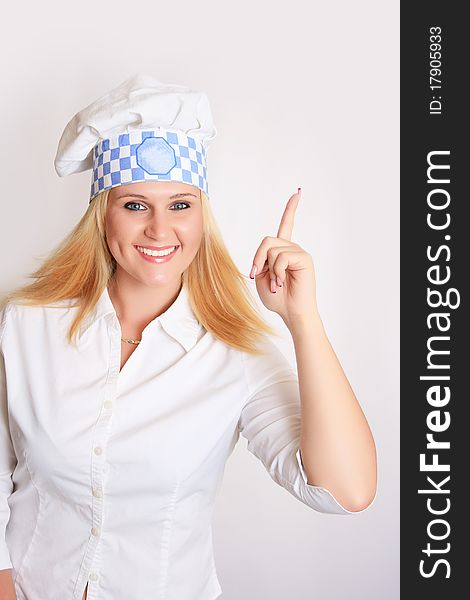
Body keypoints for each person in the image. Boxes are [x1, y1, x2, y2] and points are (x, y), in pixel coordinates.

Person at [0, 75, 377, 600]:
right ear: (102, 214)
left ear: (202, 215)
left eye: (180, 205)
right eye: (135, 205)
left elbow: (347, 492)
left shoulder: (236, 352)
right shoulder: (24, 324)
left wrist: (302, 320)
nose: (160, 230)